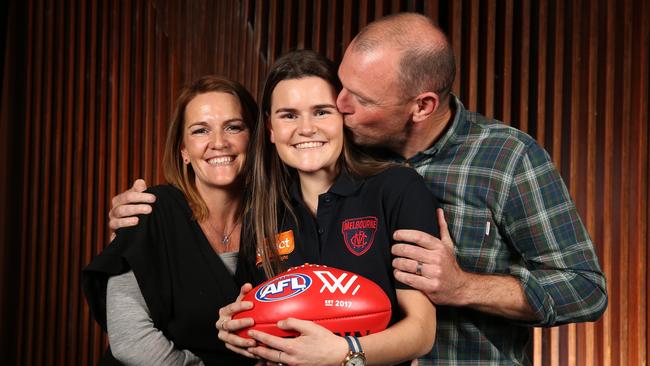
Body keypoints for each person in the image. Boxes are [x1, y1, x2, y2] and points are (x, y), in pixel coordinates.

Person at [109, 13, 608, 365]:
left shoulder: (500, 161)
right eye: (338, 90)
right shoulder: (277, 200)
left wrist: (464, 286)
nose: (341, 105)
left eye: (345, 103)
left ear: (421, 106)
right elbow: (222, 185)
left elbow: (586, 290)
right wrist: (146, 218)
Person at [216, 49, 438, 366]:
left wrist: (344, 354)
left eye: (321, 112)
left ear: (343, 117)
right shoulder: (261, 212)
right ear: (270, 129)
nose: (306, 128)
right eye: (289, 115)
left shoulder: (397, 189)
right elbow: (261, 323)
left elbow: (421, 331)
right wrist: (237, 326)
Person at [82, 76, 259, 365]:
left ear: (253, 138)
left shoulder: (272, 221)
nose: (219, 143)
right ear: (184, 151)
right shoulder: (150, 210)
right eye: (201, 131)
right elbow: (131, 340)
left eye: (233, 127)